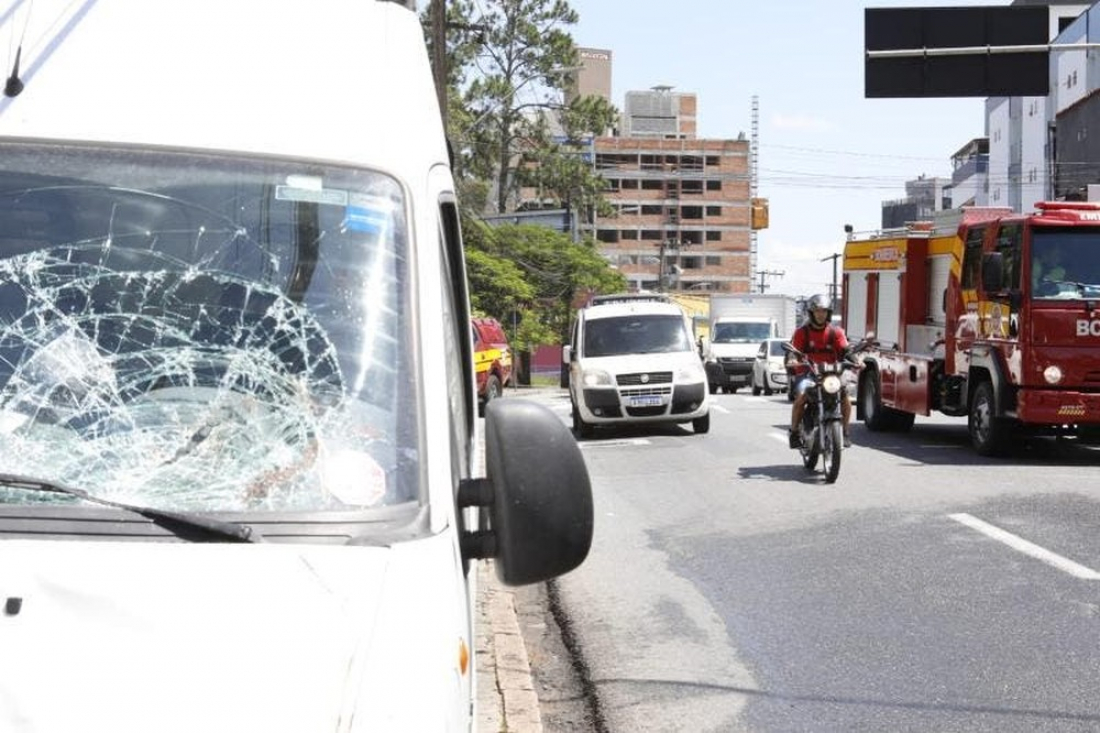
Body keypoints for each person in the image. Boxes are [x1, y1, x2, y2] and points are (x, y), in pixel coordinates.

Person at [787, 294, 854, 449]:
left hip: (831, 374)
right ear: (811, 313)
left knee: (846, 399)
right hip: (808, 373)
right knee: (801, 398)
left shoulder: (835, 332)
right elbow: (794, 350)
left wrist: (857, 360)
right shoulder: (802, 332)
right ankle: (795, 432)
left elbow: (846, 349)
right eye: (817, 311)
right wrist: (792, 359)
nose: (820, 314)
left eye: (823, 311)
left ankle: (845, 432)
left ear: (828, 313)